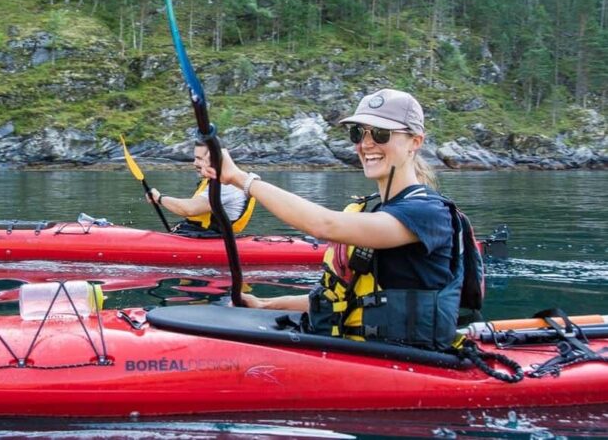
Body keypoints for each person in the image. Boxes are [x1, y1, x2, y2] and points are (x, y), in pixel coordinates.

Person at [201, 89, 461, 351]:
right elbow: (345, 299)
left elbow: (324, 225)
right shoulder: (375, 209)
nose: (366, 144)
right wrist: (267, 304)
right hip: (363, 351)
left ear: (415, 142)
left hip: (407, 363)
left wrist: (240, 179)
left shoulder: (428, 212)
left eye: (381, 134)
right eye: (359, 133)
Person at [148, 140, 255, 236]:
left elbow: (190, 209)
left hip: (211, 239)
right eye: (195, 158)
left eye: (199, 159)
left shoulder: (226, 185)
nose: (195, 163)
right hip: (200, 234)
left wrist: (159, 198)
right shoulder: (215, 179)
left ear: (215, 158)